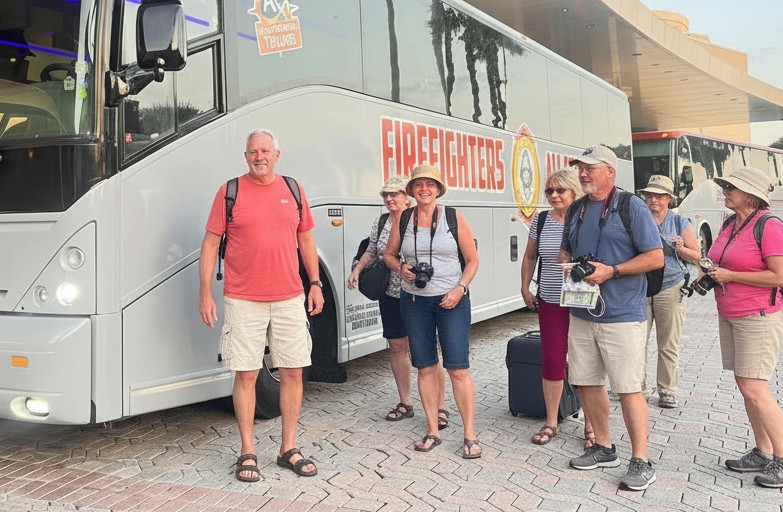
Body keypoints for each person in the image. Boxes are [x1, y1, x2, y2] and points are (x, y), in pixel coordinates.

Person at [199, 129, 324, 481]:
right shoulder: (229, 192)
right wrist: (205, 293)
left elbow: (305, 238)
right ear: (246, 156)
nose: (259, 157)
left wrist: (314, 283)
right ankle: (248, 449)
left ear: (277, 155)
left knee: (293, 371)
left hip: (289, 297)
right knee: (247, 373)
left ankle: (288, 447)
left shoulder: (293, 190)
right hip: (243, 299)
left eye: (265, 151)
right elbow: (210, 245)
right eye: (253, 151)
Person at [559, 145, 663, 491]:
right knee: (586, 381)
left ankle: (641, 459)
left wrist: (612, 271)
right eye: (580, 168)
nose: (583, 173)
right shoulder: (575, 208)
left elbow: (655, 257)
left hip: (622, 313)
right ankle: (603, 447)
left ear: (610, 172)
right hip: (582, 309)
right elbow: (566, 249)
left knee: (628, 387)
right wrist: (568, 267)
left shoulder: (630, 205)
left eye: (590, 168)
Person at [383, 165, 481, 458]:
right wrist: (401, 268)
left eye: (430, 184)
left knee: (458, 369)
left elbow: (473, 260)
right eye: (418, 184)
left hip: (451, 300)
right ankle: (432, 431)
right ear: (412, 190)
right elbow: (388, 255)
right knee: (425, 366)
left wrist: (459, 288)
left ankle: (470, 435)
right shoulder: (404, 218)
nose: (424, 189)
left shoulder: (453, 217)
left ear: (438, 189)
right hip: (414, 301)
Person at [347, 176, 448, 426]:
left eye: (395, 194)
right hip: (390, 293)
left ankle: (440, 406)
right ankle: (406, 402)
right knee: (396, 346)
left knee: (426, 350)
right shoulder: (382, 221)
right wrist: (357, 270)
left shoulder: (419, 219)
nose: (390, 199)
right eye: (385, 195)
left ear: (408, 196)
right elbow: (372, 250)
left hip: (417, 294)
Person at [706, 166, 783, 488]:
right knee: (746, 387)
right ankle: (763, 452)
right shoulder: (729, 222)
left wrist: (731, 276)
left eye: (730, 187)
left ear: (750, 194)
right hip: (731, 313)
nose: (724, 191)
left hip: (758, 316)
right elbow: (724, 262)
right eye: (724, 186)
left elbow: (779, 276)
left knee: (755, 388)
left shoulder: (769, 225)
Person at [520, 169, 594, 448]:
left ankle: (591, 425)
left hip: (581, 300)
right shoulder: (540, 221)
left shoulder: (586, 219)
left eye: (559, 190)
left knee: (584, 362)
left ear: (573, 192)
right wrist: (525, 287)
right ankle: (552, 421)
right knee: (552, 360)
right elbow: (529, 256)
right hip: (550, 300)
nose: (553, 196)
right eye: (549, 191)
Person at [638, 175, 701, 409]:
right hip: (641, 286)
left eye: (659, 195)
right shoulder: (638, 218)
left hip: (671, 285)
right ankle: (636, 387)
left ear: (669, 199)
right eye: (649, 195)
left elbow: (698, 255)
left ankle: (667, 390)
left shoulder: (679, 222)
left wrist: (681, 248)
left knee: (668, 343)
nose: (653, 199)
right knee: (636, 341)